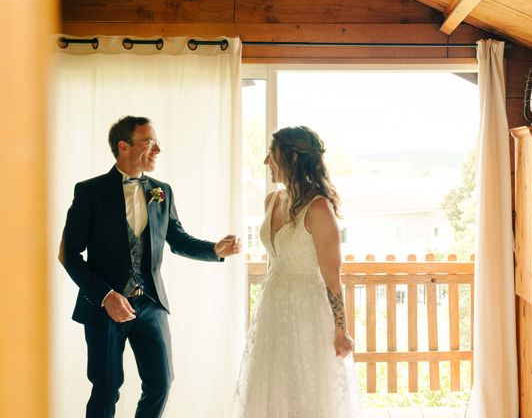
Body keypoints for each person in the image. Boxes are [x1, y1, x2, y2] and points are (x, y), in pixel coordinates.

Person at [59, 115, 241, 418]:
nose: (157, 150)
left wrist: (213, 249)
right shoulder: (89, 192)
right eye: (149, 142)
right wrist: (106, 296)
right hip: (104, 306)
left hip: (151, 303)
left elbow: (178, 239)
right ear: (123, 146)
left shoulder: (162, 192)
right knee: (106, 388)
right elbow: (69, 254)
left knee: (161, 384)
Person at [232, 125, 362, 418]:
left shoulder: (318, 209)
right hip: (272, 308)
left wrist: (341, 329)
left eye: (271, 155)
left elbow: (332, 276)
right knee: (271, 387)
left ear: (291, 158)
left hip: (307, 312)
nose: (266, 162)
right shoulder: (272, 201)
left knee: (307, 390)